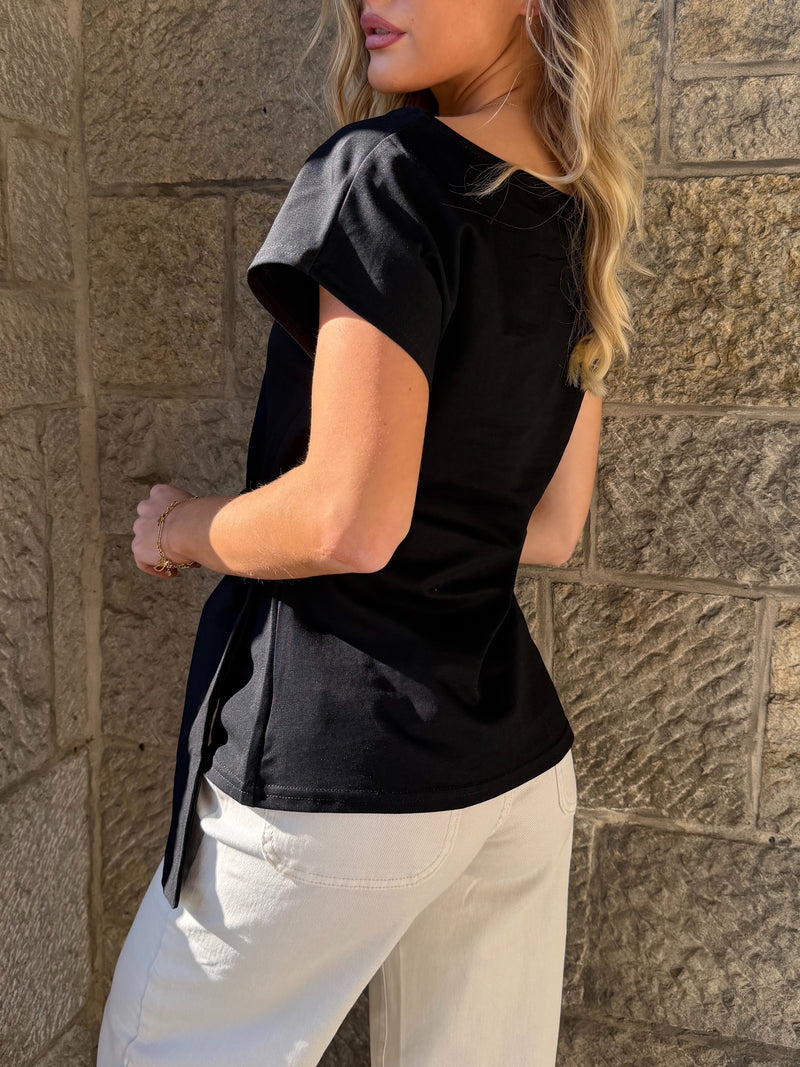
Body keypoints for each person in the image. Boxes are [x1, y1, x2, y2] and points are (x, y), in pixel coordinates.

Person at [98, 0, 643, 1063]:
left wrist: (182, 528)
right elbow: (548, 524)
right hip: (511, 773)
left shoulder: (384, 173)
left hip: (334, 762)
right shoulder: (580, 215)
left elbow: (349, 520)